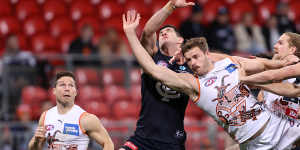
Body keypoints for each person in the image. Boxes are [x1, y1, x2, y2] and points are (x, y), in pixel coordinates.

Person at [122, 10, 300, 149]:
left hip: (279, 129)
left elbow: (263, 65)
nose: (193, 63)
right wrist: (130, 34)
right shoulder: (193, 84)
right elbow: (153, 70)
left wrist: (282, 64)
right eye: (189, 59)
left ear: (207, 54)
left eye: (196, 57)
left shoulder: (229, 64)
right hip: (252, 145)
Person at [119, 1, 196, 150]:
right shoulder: (151, 58)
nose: (163, 33)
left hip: (173, 142)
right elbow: (148, 32)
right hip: (142, 139)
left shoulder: (191, 65)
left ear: (180, 40)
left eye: (168, 30)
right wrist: (171, 6)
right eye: (160, 33)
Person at [28, 71, 114, 150]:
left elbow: (108, 143)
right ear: (54, 91)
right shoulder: (46, 116)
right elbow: (34, 148)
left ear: (75, 92)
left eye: (71, 85)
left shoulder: (86, 119)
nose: (67, 88)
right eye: (62, 85)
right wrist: (36, 141)